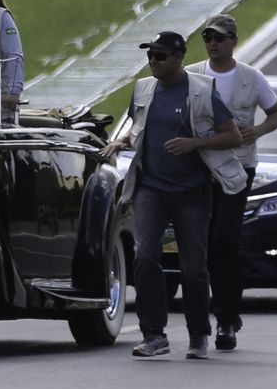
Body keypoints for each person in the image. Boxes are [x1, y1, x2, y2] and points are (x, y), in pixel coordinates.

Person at [101, 31, 245, 360]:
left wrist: (194, 144)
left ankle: (198, 335)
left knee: (193, 266)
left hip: (192, 192)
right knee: (145, 255)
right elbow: (135, 126)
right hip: (151, 188)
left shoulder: (201, 91)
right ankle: (154, 335)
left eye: (161, 56)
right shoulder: (144, 88)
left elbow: (232, 136)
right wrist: (120, 142)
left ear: (179, 58)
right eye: (150, 55)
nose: (153, 62)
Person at [187, 14, 277, 351]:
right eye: (207, 38)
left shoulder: (251, 77)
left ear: (233, 41)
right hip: (200, 167)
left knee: (225, 240)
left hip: (238, 167)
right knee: (202, 243)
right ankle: (202, 318)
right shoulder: (193, 75)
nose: (213, 44)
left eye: (219, 38)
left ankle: (227, 318)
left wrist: (256, 131)